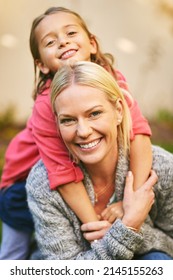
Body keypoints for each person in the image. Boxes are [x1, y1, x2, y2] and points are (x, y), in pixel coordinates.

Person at [0, 7, 152, 259]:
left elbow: (139, 134)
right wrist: (96, 226)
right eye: (50, 41)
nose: (63, 41)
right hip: (21, 185)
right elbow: (61, 172)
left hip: (69, 180)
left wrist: (130, 202)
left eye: (71, 32)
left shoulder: (112, 80)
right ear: (41, 64)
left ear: (92, 43)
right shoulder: (45, 106)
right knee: (15, 257)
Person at [26, 61, 173, 260]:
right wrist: (127, 227)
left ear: (119, 111)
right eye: (68, 120)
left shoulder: (161, 168)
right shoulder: (43, 184)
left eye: (94, 114)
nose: (83, 132)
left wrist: (133, 230)